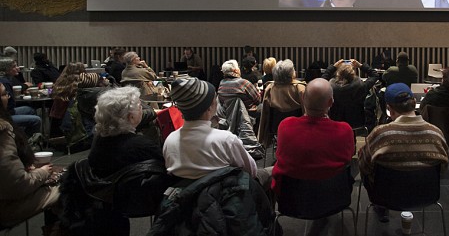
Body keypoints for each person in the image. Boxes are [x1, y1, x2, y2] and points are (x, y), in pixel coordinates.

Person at [272, 78, 354, 234]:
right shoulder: (345, 130)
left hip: (291, 201)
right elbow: (348, 158)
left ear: (303, 98)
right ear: (330, 103)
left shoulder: (285, 125)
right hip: (335, 198)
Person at [80, 86, 166, 236]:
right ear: (130, 118)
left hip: (103, 204)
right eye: (140, 107)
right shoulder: (142, 145)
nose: (143, 109)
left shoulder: (97, 141)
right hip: (137, 200)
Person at [358, 83, 449, 223]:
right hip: (427, 194)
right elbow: (442, 168)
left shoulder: (381, 133)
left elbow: (364, 164)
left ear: (389, 108)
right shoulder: (436, 133)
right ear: (414, 103)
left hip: (384, 196)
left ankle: (381, 209)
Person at [164, 78, 270, 184]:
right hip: (222, 198)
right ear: (209, 107)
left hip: (184, 198)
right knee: (272, 172)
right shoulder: (226, 140)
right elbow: (252, 171)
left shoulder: (169, 140)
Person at [0, 82, 60, 228]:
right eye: (3, 94)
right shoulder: (2, 131)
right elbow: (18, 185)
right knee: (69, 187)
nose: (8, 97)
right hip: (6, 206)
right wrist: (42, 173)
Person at [257, 59, 306, 147]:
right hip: (299, 128)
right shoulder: (300, 88)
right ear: (291, 73)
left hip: (275, 128)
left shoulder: (270, 88)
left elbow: (265, 112)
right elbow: (306, 111)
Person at [321, 58, 380, 129]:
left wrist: (333, 67)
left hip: (335, 120)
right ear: (353, 74)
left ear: (338, 74)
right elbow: (375, 75)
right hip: (356, 121)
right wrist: (360, 65)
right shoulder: (361, 86)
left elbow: (322, 80)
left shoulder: (330, 87)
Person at [0, 58, 41, 136]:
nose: (18, 68)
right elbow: (10, 104)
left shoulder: (8, 79)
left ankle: (23, 135)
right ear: (7, 69)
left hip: (9, 111)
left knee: (30, 110)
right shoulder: (4, 82)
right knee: (37, 120)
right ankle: (28, 142)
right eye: (14, 67)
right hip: (5, 115)